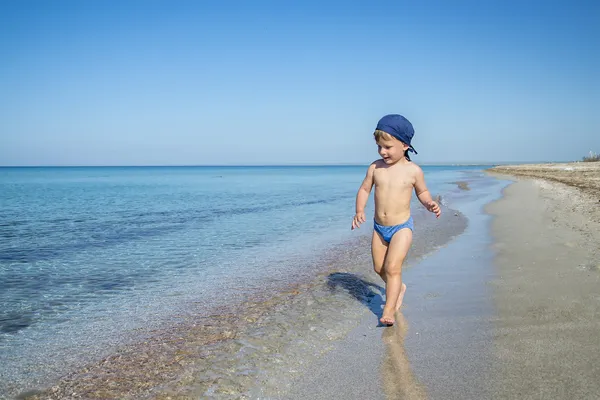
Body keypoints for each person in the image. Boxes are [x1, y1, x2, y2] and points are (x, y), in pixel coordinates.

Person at [351, 114, 441, 326]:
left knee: (393, 268)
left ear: (405, 145)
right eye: (380, 147)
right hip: (379, 228)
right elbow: (364, 189)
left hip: (402, 228)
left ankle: (389, 310)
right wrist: (359, 210)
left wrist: (429, 203)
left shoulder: (413, 171)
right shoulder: (375, 167)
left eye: (388, 147)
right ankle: (397, 286)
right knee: (378, 268)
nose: (383, 151)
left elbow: (422, 192)